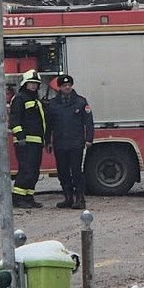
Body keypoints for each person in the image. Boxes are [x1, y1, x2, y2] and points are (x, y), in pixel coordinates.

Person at [46, 74, 94, 209]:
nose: (67, 87)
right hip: (59, 143)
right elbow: (49, 124)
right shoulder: (53, 104)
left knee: (77, 171)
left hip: (76, 143)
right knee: (63, 172)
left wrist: (89, 139)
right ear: (59, 87)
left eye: (69, 85)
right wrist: (47, 141)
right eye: (64, 86)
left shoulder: (80, 102)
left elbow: (88, 122)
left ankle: (80, 199)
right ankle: (68, 197)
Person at [9, 73, 47, 208]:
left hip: (36, 142)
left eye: (36, 83)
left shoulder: (36, 100)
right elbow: (15, 119)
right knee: (26, 170)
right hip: (25, 142)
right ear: (25, 84)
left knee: (34, 171)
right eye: (31, 83)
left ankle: (29, 197)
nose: (34, 85)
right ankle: (18, 198)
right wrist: (20, 136)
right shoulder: (19, 98)